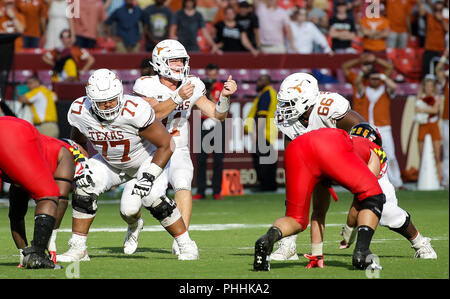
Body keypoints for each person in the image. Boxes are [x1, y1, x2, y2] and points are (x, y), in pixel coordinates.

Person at [56, 68, 199, 262]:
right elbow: (78, 142)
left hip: (145, 159)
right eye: (101, 102)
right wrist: (82, 164)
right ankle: (78, 248)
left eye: (112, 100)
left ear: (120, 95)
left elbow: (167, 144)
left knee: (152, 197)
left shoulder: (135, 109)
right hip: (109, 161)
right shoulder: (80, 110)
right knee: (85, 186)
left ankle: (186, 244)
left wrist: (149, 175)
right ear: (91, 99)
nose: (107, 106)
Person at [132, 39, 237, 254]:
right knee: (138, 203)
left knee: (183, 184)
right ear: (160, 62)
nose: (180, 65)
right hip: (151, 149)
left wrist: (224, 98)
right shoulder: (145, 84)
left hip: (178, 146)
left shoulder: (193, 83)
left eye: (182, 60)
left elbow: (218, 115)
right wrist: (178, 97)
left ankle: (182, 242)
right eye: (174, 61)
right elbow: (154, 114)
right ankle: (133, 224)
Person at [253, 127, 386, 271]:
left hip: (298, 146)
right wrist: (349, 232)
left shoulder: (349, 145)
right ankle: (363, 253)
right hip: (329, 147)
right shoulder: (373, 150)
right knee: (374, 195)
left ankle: (267, 239)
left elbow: (319, 210)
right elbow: (362, 200)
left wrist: (317, 254)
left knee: (296, 220)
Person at [269, 72, 367, 262]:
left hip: (344, 157)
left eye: (289, 102)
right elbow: (292, 154)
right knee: (297, 199)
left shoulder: (328, 107)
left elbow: (364, 130)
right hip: (315, 160)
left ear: (306, 99)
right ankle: (289, 245)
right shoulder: (289, 119)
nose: (283, 108)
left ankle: (418, 242)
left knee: (386, 209)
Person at [337, 123, 437, 262]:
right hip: (362, 178)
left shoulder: (374, 154)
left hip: (378, 185)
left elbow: (359, 197)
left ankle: (421, 243)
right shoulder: (351, 148)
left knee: (390, 214)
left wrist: (349, 229)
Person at [9, 137, 84, 266]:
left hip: (24, 155)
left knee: (17, 210)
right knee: (52, 199)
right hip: (29, 158)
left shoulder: (47, 145)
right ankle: (31, 250)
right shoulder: (67, 152)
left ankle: (24, 251)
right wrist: (50, 237)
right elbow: (61, 198)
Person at [0, 116, 62, 269]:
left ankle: (29, 254)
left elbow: (16, 214)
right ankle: (38, 256)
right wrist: (49, 240)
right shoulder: (63, 150)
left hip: (12, 133)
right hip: (12, 133)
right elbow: (61, 198)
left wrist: (24, 251)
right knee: (49, 194)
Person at [353, 69, 404, 189]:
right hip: (368, 129)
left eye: (376, 79)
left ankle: (397, 183)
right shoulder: (364, 90)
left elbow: (394, 86)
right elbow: (357, 82)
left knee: (390, 155)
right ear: (368, 80)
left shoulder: (385, 90)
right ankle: (365, 182)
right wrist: (363, 73)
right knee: (365, 156)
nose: (374, 81)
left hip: (384, 127)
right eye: (372, 78)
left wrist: (382, 75)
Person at [193, 63, 226, 200]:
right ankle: (201, 190)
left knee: (218, 159)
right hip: (203, 122)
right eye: (209, 75)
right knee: (201, 159)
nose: (211, 78)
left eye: (213, 75)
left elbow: (220, 107)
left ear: (217, 74)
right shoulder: (201, 87)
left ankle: (216, 191)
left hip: (218, 123)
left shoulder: (222, 88)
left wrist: (210, 94)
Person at [244, 74, 278, 192]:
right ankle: (271, 185)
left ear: (266, 82)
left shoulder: (266, 94)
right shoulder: (269, 93)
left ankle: (265, 186)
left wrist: (257, 133)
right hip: (268, 131)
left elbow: (262, 116)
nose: (257, 83)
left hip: (264, 132)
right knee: (268, 159)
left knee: (263, 161)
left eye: (259, 81)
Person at [414, 75, 443, 182]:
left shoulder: (437, 97)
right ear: (424, 87)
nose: (429, 88)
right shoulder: (420, 97)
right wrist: (429, 109)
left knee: (437, 154)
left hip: (433, 126)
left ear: (434, 87)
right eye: (427, 86)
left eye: (431, 86)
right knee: (422, 154)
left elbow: (435, 111)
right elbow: (416, 109)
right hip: (423, 126)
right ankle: (422, 179)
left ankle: (439, 179)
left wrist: (423, 109)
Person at [418, 0, 448, 77]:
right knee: (427, 74)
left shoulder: (446, 19)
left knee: (438, 74)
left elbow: (448, 29)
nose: (438, 5)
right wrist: (419, 2)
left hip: (440, 51)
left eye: (440, 3)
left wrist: (441, 20)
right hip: (429, 49)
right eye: (437, 3)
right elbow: (421, 10)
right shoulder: (430, 17)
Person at [436, 48, 449, 188]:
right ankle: (446, 180)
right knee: (447, 151)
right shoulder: (446, 81)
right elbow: (438, 70)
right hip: (447, 119)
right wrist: (444, 56)